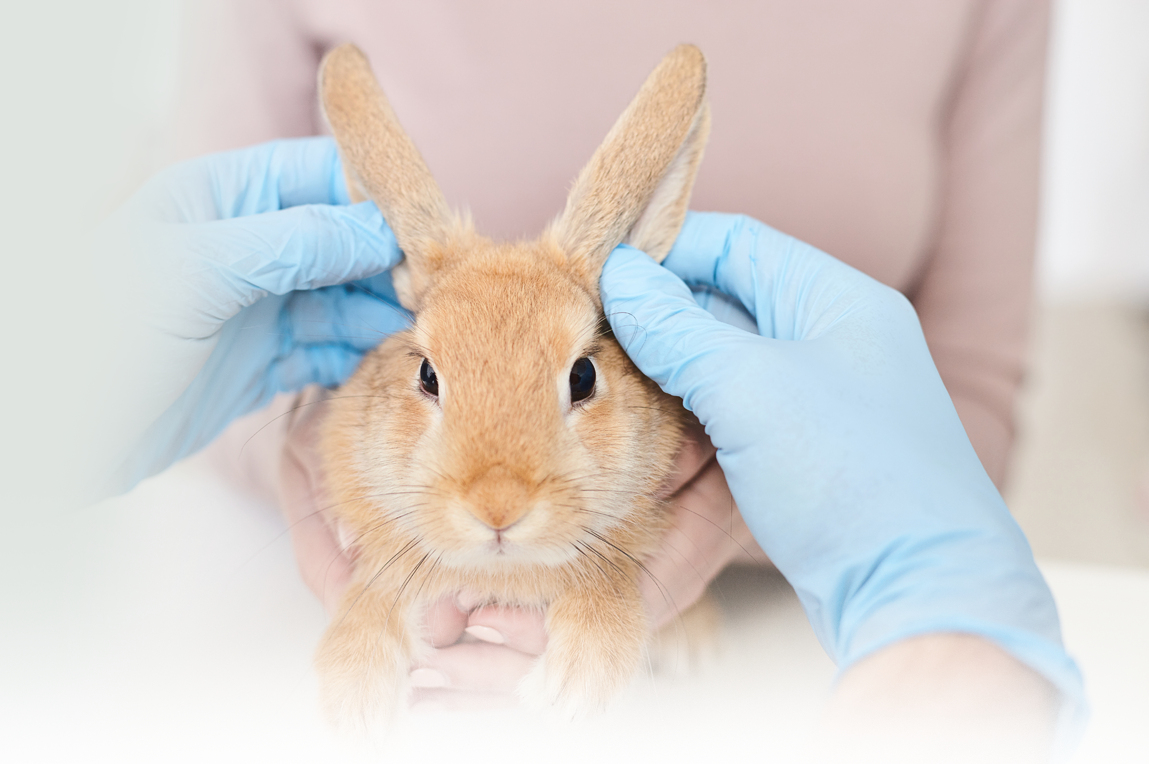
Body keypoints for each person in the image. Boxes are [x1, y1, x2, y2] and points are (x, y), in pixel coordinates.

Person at [170, 0, 1051, 725]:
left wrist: (746, 513)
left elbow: (968, 394)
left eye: (578, 379)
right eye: (430, 379)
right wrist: (295, 443)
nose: (499, 499)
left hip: (776, 669)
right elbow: (196, 338)